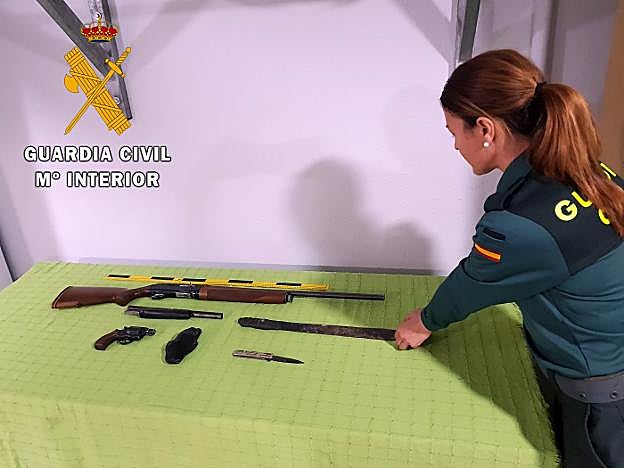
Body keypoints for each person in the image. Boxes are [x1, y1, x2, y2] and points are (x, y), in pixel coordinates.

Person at [394, 49, 624, 468]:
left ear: (485, 128)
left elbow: (473, 282)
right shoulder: (591, 173)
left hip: (600, 394)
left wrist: (421, 322)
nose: (455, 145)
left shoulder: (521, 224)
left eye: (454, 132)